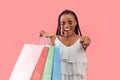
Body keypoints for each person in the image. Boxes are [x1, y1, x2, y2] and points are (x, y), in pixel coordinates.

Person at [40, 10, 91, 80]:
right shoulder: (55, 39)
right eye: (62, 23)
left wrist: (87, 41)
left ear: (75, 22)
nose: (66, 25)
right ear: (59, 25)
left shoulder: (81, 40)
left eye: (70, 22)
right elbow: (50, 60)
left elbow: (86, 42)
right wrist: (51, 40)